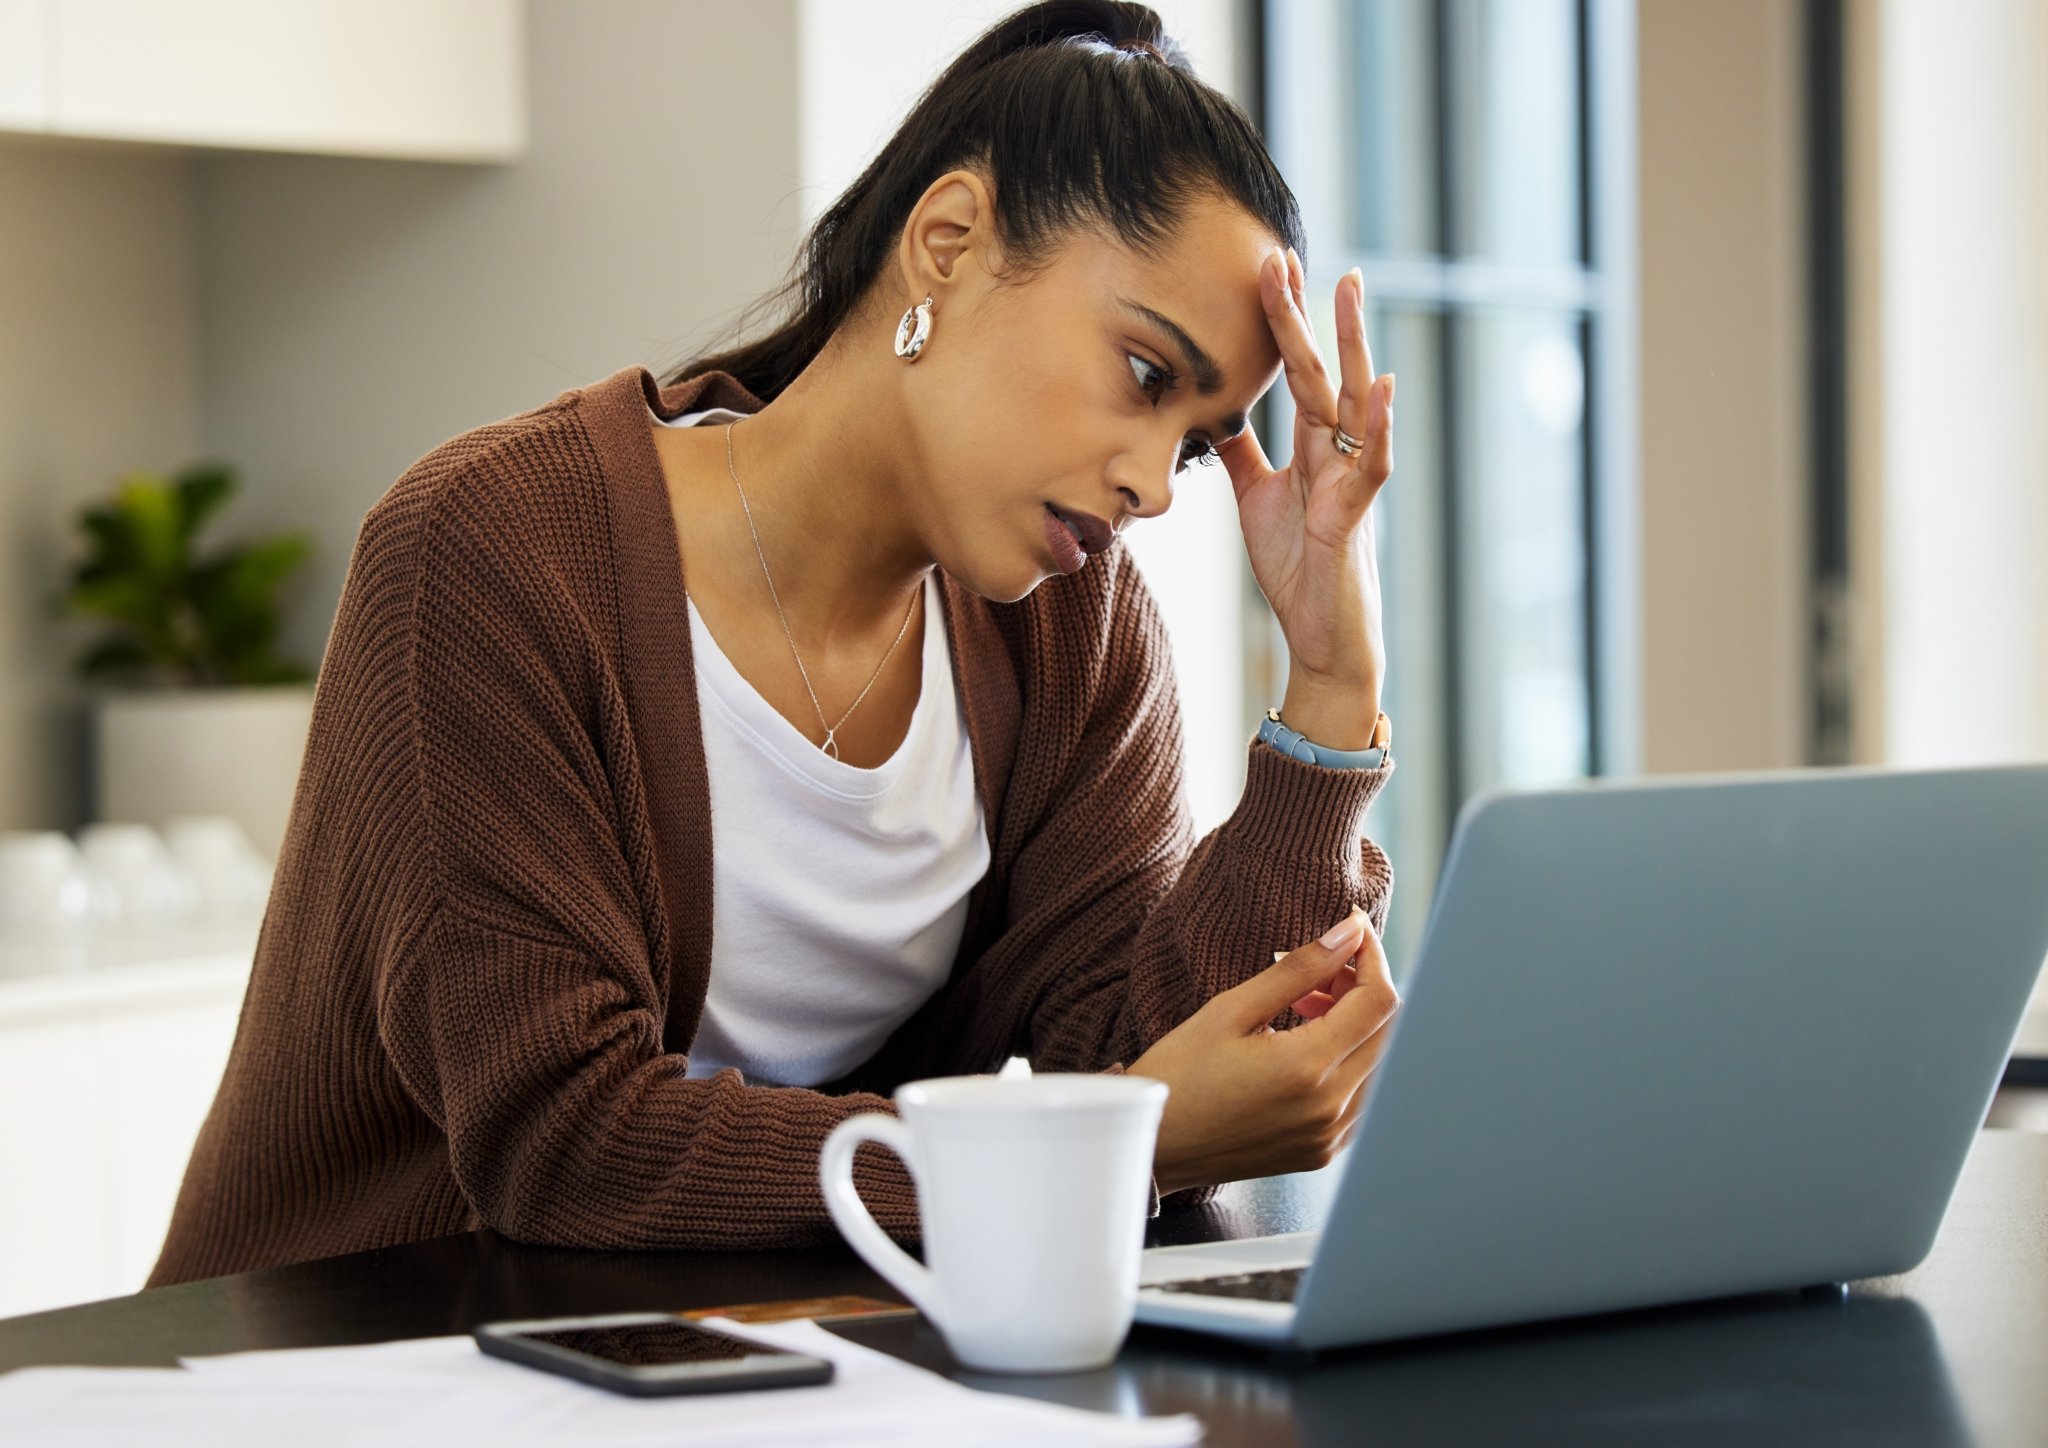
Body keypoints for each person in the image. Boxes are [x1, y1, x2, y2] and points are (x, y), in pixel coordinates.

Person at [147, 0, 1403, 1287]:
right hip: (372, 1362)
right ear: (949, 242)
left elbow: (1125, 1062)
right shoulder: (492, 550)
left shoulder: (1071, 625)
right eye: (1146, 373)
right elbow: (562, 1139)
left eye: (1195, 440)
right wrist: (1118, 1148)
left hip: (769, 1361)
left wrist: (1330, 681)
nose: (1152, 482)